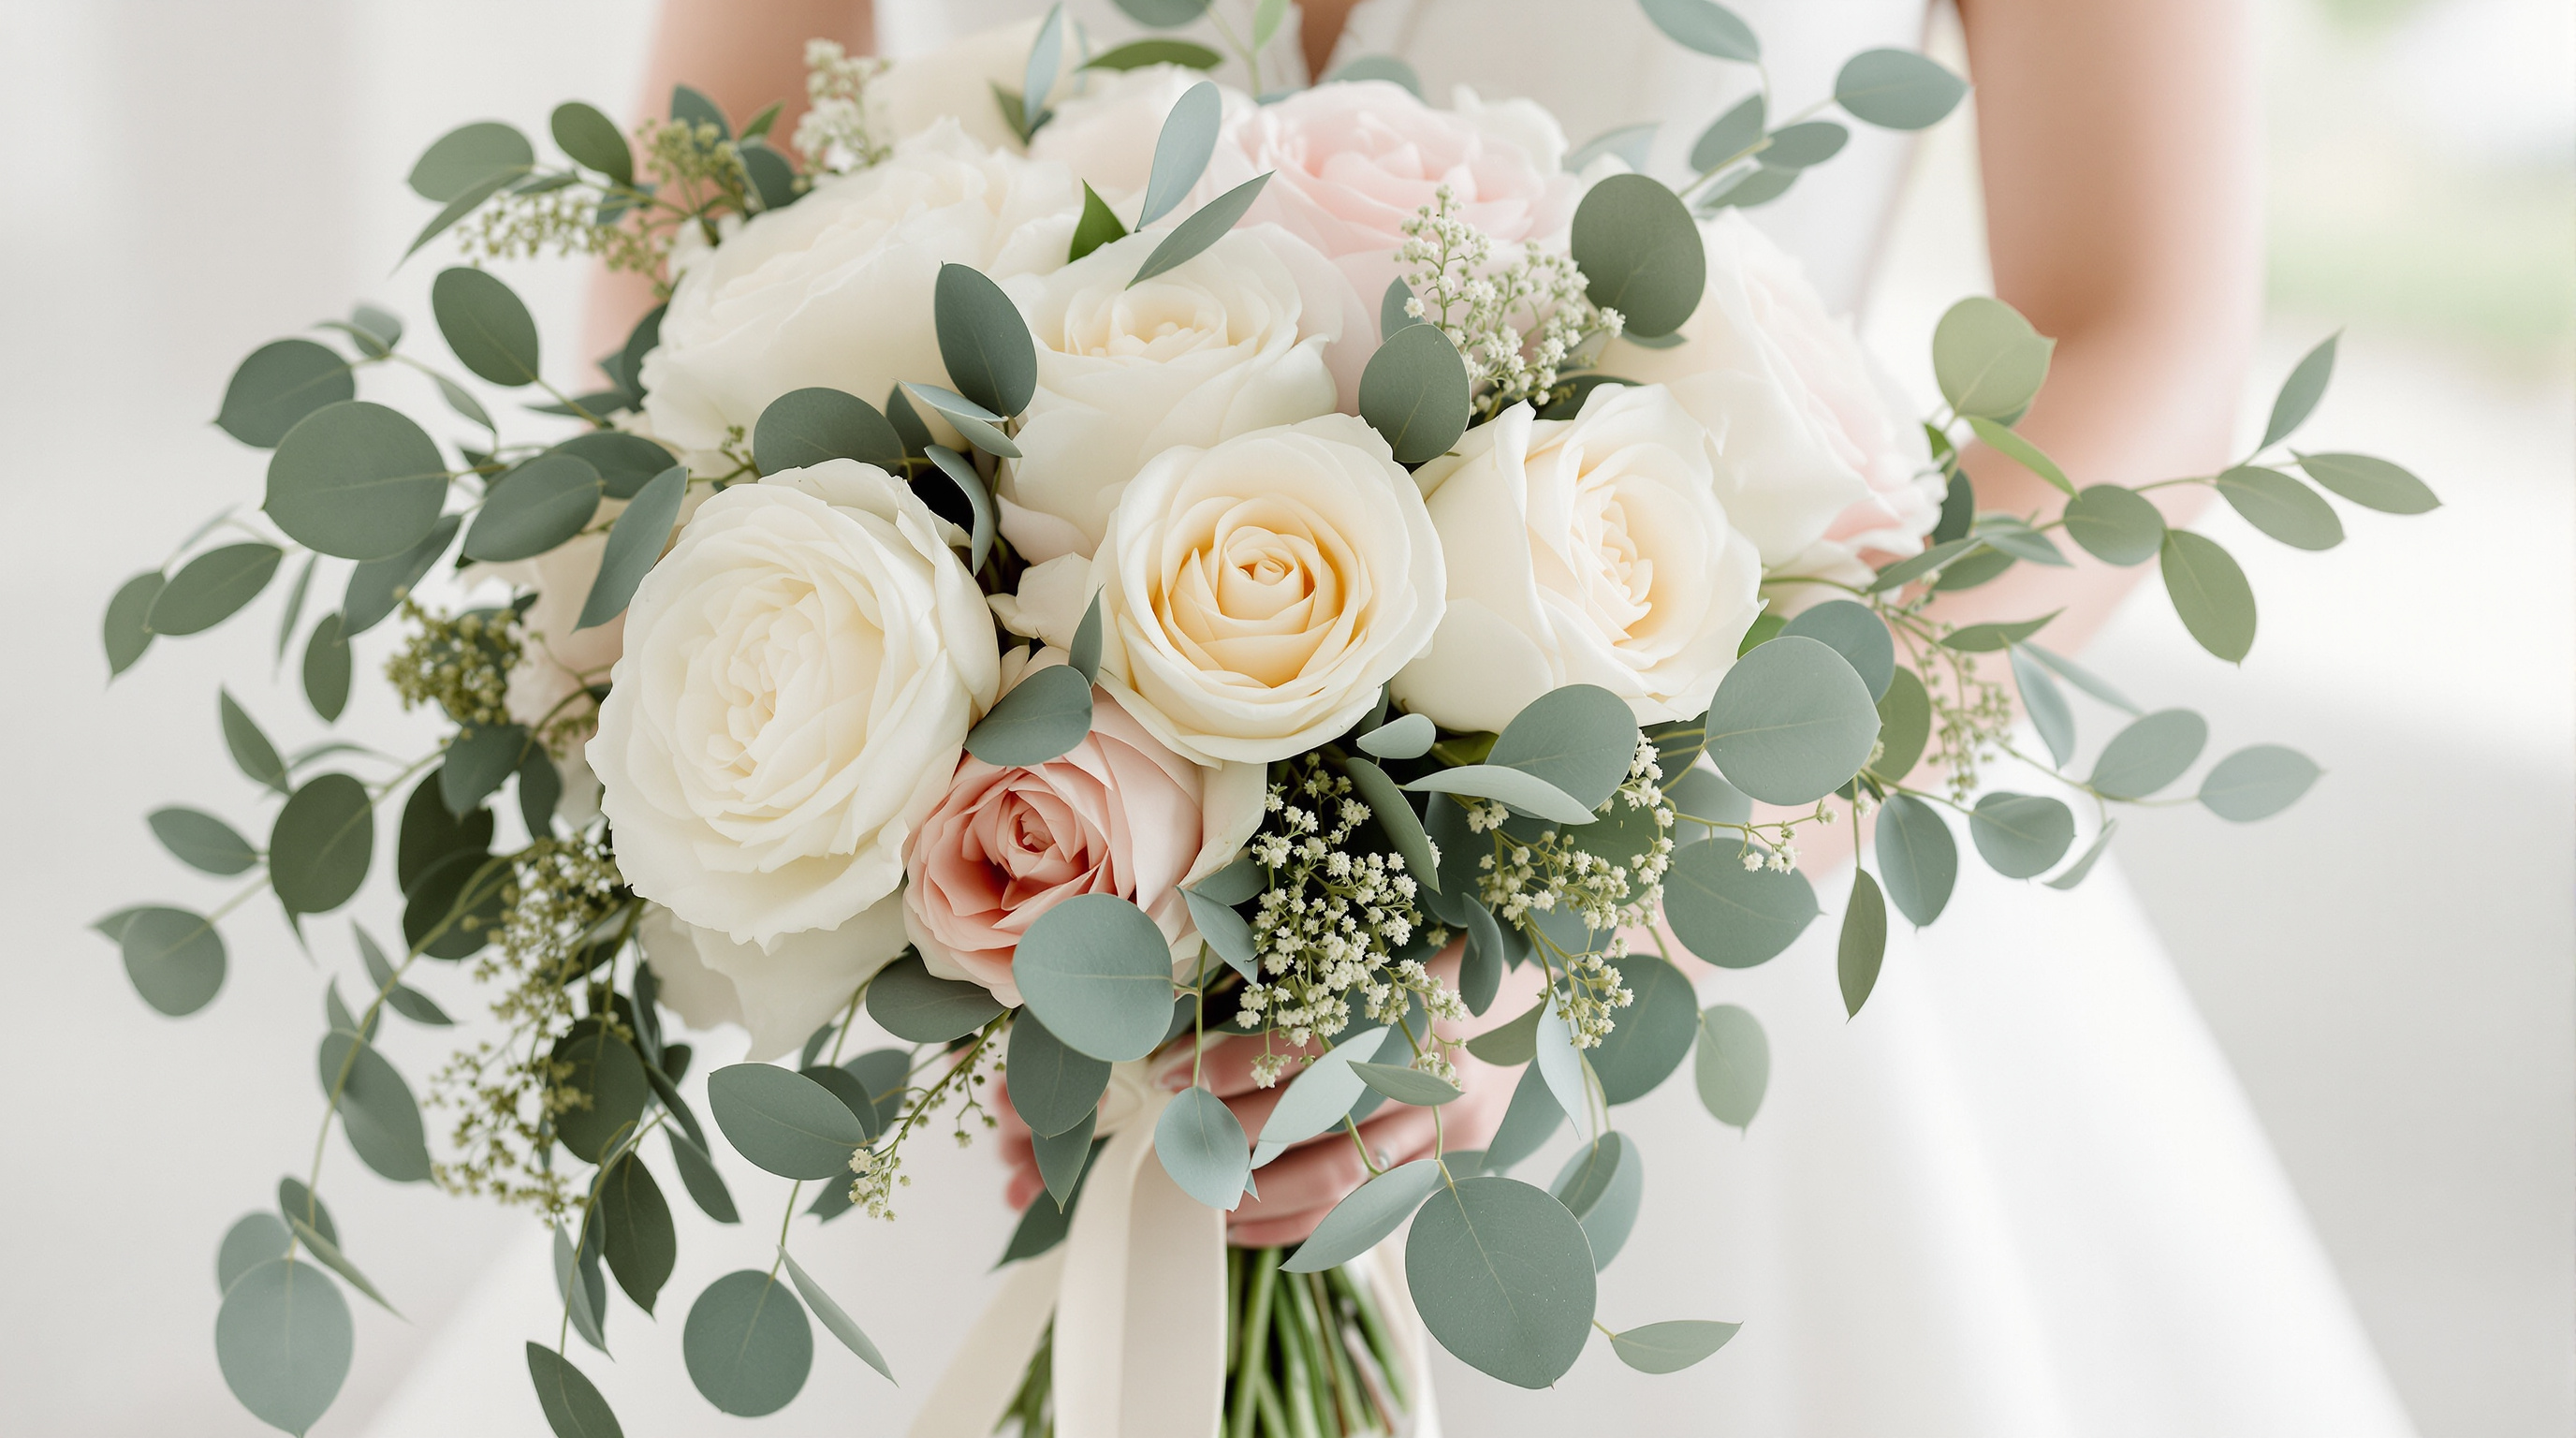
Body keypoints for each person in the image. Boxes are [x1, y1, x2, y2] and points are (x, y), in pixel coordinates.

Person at [361, 2, 2417, 1434]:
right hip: (995, 926)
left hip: (1740, 890)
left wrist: (1650, 868)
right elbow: (676, 248)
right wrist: (959, 766)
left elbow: (2140, 325)